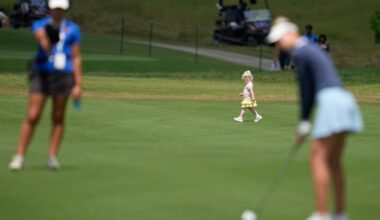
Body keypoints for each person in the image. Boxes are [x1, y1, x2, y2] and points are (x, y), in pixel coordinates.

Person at [267, 18, 364, 220]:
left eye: (279, 40)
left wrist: (303, 124)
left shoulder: (300, 52)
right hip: (345, 99)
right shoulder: (311, 48)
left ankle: (321, 214)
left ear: (290, 34)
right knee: (334, 161)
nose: (278, 45)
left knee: (317, 158)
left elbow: (307, 91)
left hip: (330, 100)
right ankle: (339, 214)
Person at [9, 0, 83, 171]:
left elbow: (76, 57)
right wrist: (48, 40)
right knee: (33, 115)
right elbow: (42, 40)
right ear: (50, 8)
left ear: (64, 9)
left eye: (60, 8)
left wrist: (78, 84)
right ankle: (19, 156)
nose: (57, 10)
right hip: (42, 73)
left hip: (64, 74)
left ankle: (52, 156)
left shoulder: (73, 28)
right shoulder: (40, 25)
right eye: (55, 7)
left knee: (58, 116)